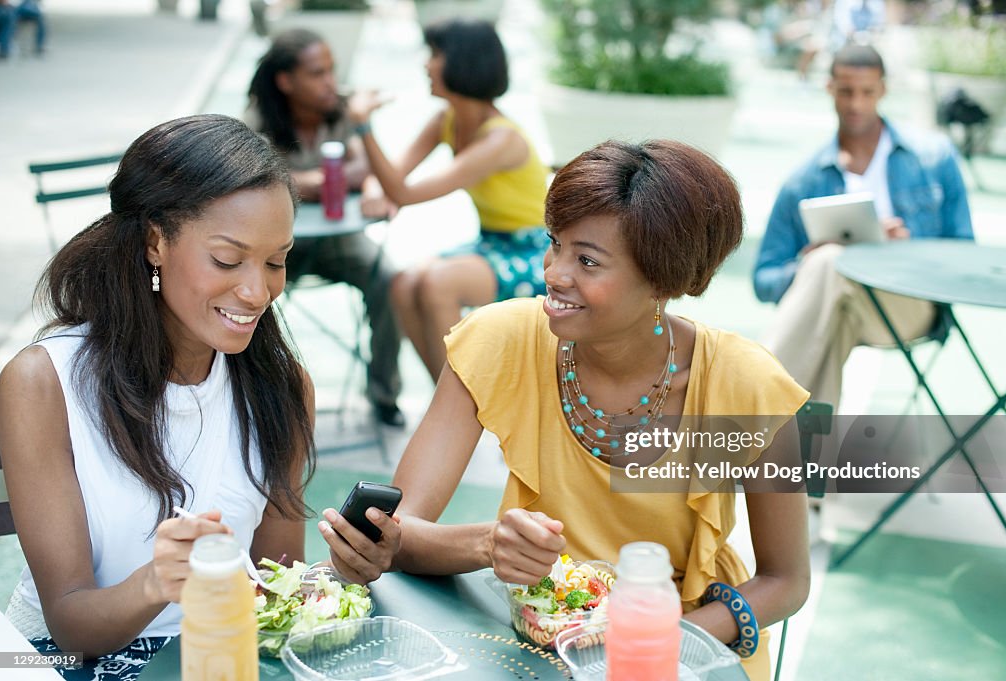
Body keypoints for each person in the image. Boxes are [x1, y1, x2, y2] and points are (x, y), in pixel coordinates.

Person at [320, 140, 812, 681]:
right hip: (527, 636)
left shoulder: (749, 386)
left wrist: (655, 639)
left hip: (681, 644)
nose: (554, 273)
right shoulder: (499, 340)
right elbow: (398, 532)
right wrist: (488, 543)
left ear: (664, 280)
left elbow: (786, 580)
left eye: (587, 261)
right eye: (554, 245)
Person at [0, 114, 399, 679]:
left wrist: (339, 576)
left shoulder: (281, 388)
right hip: (51, 658)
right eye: (228, 260)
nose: (258, 291)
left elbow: (271, 579)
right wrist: (156, 582)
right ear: (155, 241)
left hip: (211, 648)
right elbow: (71, 626)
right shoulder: (44, 384)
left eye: (276, 261)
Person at [753, 44, 974, 409]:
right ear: (829, 89)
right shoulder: (803, 182)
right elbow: (765, 280)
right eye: (846, 92)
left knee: (830, 265)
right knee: (829, 283)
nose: (856, 104)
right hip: (842, 307)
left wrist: (907, 249)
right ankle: (805, 460)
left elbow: (964, 253)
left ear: (883, 90)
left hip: (909, 307)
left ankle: (747, 401)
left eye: (867, 92)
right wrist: (806, 261)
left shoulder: (934, 158)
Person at [346, 19, 550, 382]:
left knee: (438, 282)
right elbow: (393, 176)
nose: (426, 64)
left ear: (462, 63)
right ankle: (454, 400)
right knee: (403, 284)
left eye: (435, 55)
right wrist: (376, 191)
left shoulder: (500, 140)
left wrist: (363, 125)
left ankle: (464, 407)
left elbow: (403, 192)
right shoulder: (448, 119)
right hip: (491, 243)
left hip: (537, 253)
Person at [246, 28, 405, 427]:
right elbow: (249, 180)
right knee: (245, 294)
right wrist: (325, 179)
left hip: (339, 240)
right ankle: (255, 395)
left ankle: (384, 393)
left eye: (331, 71)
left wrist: (363, 184)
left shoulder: (342, 109)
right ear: (286, 81)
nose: (330, 82)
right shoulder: (257, 120)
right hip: (271, 248)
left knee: (390, 279)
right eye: (318, 73)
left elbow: (367, 165)